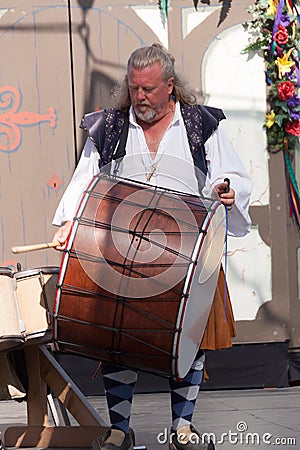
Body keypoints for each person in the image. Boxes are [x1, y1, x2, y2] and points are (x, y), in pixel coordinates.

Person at [52, 44, 252, 450]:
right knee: (117, 341)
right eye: (134, 87)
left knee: (188, 339)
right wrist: (69, 223)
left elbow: (231, 174)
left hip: (188, 253)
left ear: (170, 86)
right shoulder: (108, 127)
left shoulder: (200, 123)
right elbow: (85, 180)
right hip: (121, 252)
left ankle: (183, 428)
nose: (139, 97)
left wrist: (226, 191)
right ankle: (119, 430)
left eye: (148, 89)